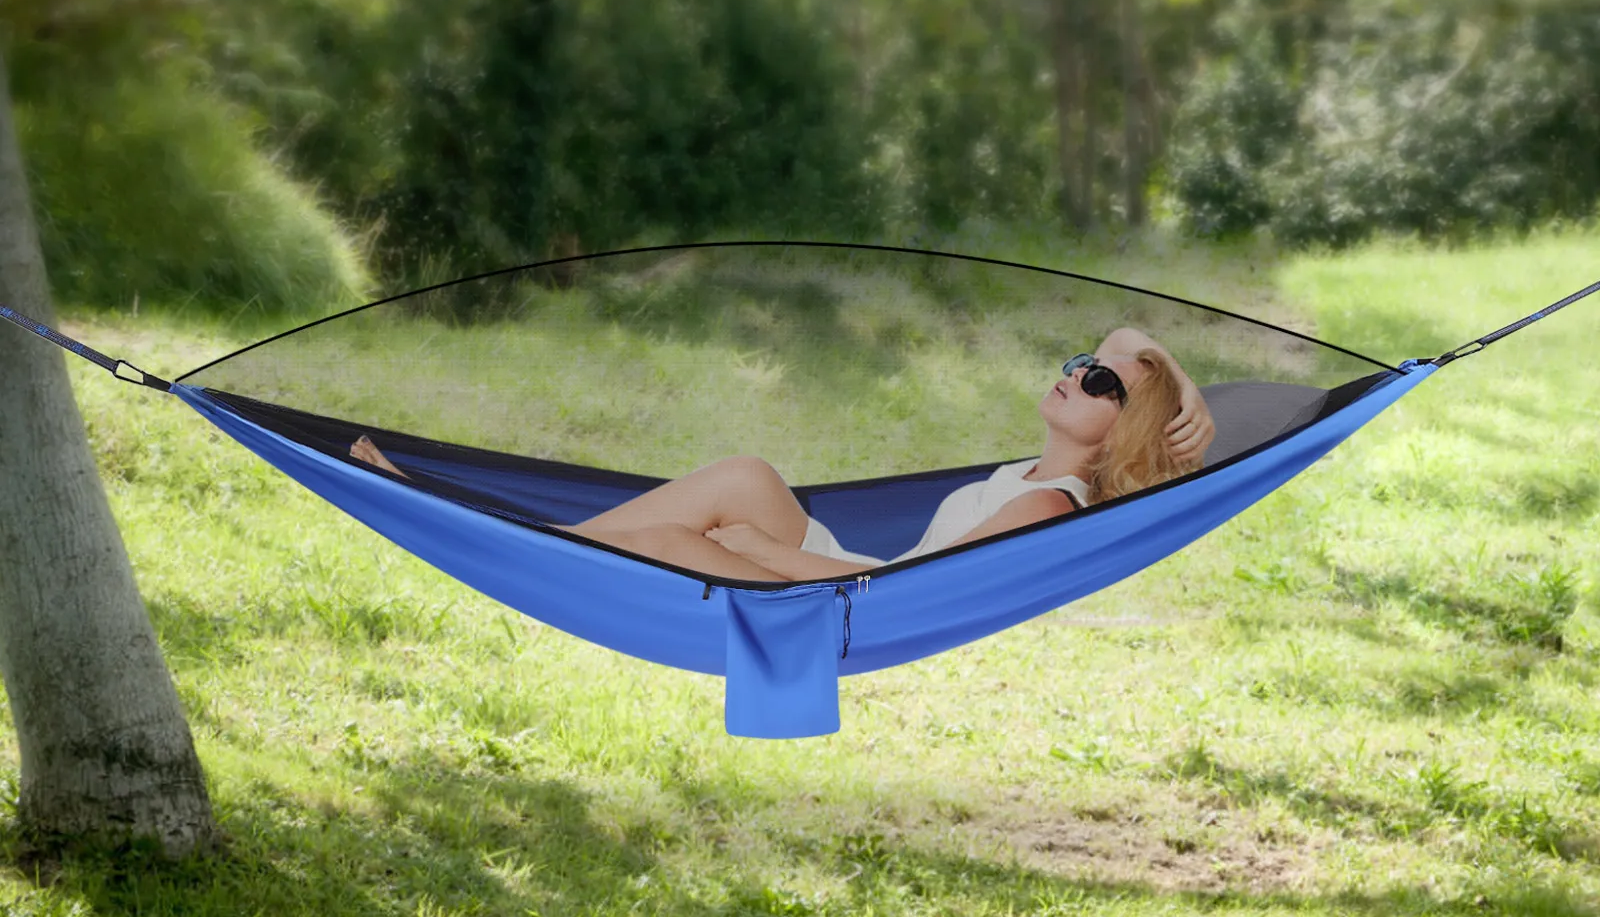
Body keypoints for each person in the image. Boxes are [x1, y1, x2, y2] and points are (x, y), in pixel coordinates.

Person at [349, 327, 1212, 582]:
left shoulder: (1050, 506)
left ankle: (490, 540)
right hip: (833, 566)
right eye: (1076, 364)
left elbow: (917, 589)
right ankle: (512, 537)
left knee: (669, 549)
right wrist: (1175, 378)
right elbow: (1127, 337)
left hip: (847, 596)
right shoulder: (1028, 475)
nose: (1076, 373)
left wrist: (764, 552)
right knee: (747, 476)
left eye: (1101, 383)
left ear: (1126, 432)